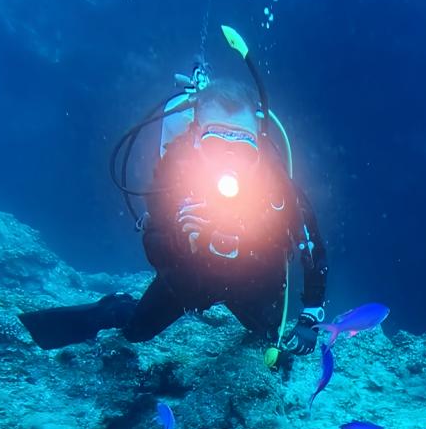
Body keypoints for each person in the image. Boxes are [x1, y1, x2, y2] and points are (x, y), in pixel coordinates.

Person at [18, 38, 328, 365]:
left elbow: (313, 246)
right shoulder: (176, 172)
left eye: (242, 145)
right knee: (135, 331)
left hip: (252, 282)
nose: (229, 158)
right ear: (195, 136)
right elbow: (153, 241)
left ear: (259, 141)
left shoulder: (276, 182)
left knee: (267, 336)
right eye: (214, 141)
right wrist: (184, 242)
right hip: (191, 280)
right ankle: (113, 307)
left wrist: (311, 314)